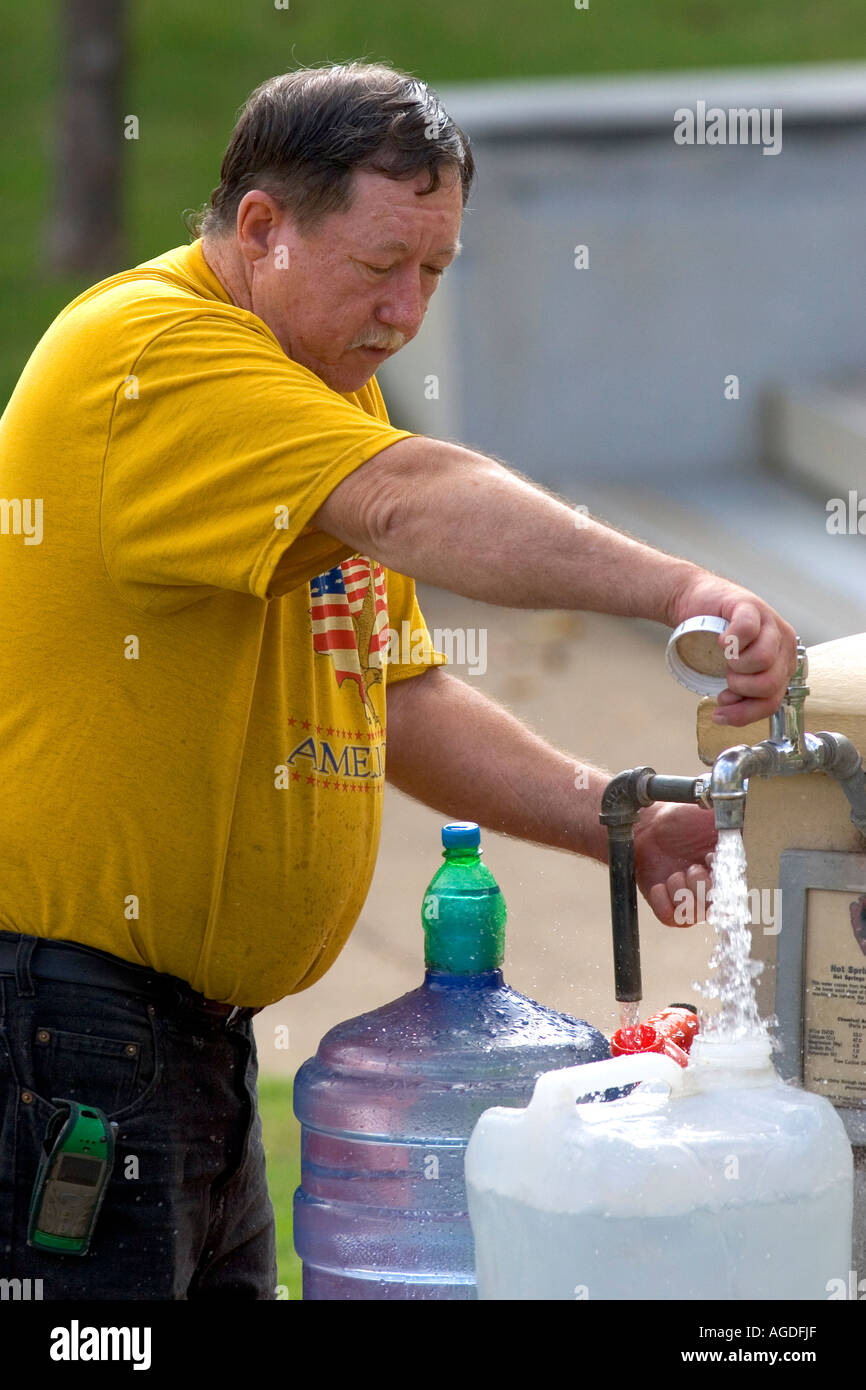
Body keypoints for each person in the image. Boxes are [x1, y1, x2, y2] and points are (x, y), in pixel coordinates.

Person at [0, 60, 796, 1300]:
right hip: (68, 1027)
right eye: (381, 266)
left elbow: (399, 696)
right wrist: (679, 590)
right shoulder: (150, 357)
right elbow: (408, 498)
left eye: (435, 271)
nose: (408, 309)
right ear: (261, 227)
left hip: (178, 1041)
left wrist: (620, 822)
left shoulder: (318, 391)